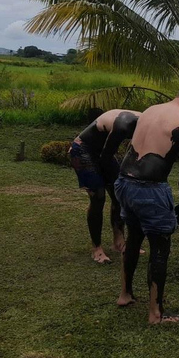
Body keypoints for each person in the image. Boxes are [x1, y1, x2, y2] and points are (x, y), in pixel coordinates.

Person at [114, 80, 179, 324]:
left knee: (134, 237)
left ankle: (125, 294)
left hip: (124, 182)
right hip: (149, 189)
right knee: (159, 249)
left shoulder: (150, 111)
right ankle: (155, 313)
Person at [69, 109, 141, 263]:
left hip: (102, 151)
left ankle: (119, 242)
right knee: (98, 196)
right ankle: (97, 249)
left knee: (118, 195)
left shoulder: (146, 122)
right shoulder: (124, 124)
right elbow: (105, 159)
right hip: (82, 149)